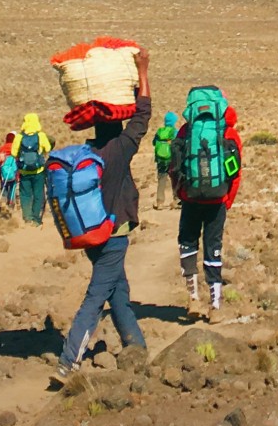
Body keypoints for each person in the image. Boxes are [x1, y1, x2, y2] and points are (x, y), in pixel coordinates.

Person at [57, 46, 152, 374]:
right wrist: (143, 72)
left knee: (118, 292)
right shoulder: (121, 148)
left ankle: (136, 348)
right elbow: (142, 116)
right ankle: (69, 361)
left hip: (92, 234)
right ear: (117, 124)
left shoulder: (87, 152)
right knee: (96, 297)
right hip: (114, 234)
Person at [170, 89, 244, 322]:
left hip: (191, 198)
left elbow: (175, 166)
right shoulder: (228, 133)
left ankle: (193, 297)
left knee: (188, 242)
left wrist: (180, 193)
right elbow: (235, 173)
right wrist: (227, 201)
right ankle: (215, 304)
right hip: (217, 200)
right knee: (214, 246)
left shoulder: (185, 131)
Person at [15, 112, 54, 226]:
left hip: (24, 171)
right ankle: (36, 219)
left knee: (25, 194)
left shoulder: (19, 137)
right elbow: (47, 148)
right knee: (38, 194)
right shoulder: (41, 136)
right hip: (38, 171)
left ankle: (27, 217)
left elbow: (13, 152)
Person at [151, 110, 178, 209]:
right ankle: (176, 200)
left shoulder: (159, 132)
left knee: (162, 179)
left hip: (160, 159)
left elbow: (153, 143)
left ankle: (160, 202)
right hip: (171, 159)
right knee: (174, 179)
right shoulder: (174, 132)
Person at [0, 131, 19, 216]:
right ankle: (11, 203)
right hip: (13, 173)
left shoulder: (3, 148)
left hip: (3, 174)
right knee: (13, 188)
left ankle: (4, 204)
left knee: (4, 188)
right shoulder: (16, 148)